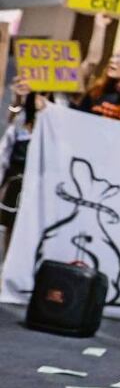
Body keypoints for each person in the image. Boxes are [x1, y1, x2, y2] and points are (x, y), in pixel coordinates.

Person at [0, 80, 50, 262]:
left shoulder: (62, 100)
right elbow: (12, 120)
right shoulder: (26, 103)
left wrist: (47, 110)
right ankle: (7, 268)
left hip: (43, 176)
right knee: (11, 223)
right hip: (17, 174)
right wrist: (18, 99)